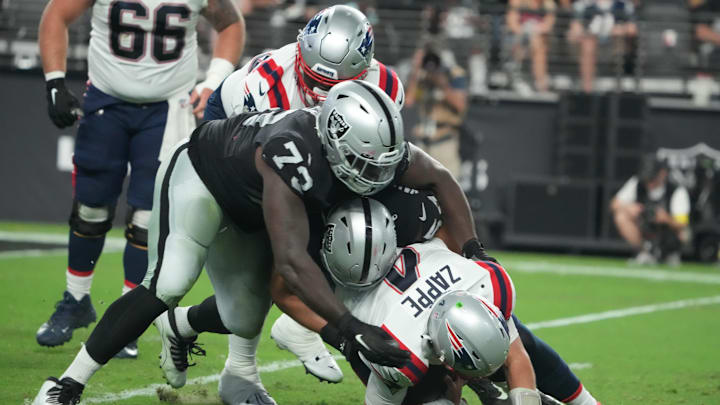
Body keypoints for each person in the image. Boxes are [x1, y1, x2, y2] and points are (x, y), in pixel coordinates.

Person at [33, 80, 481, 405]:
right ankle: (66, 384)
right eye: (366, 164)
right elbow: (289, 261)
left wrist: (474, 253)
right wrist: (351, 330)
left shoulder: (370, 148)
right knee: (168, 282)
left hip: (254, 207)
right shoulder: (293, 152)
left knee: (243, 316)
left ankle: (181, 328)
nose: (377, 176)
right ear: (337, 143)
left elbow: (440, 179)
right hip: (204, 179)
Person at [158, 4, 405, 391]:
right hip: (239, 143)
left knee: (353, 242)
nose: (321, 93)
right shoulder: (267, 81)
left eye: (335, 84)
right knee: (263, 274)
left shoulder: (386, 88)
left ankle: (190, 326)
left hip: (313, 160)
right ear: (300, 54)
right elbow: (271, 168)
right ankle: (243, 369)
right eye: (313, 79)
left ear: (365, 70)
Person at [35, 0, 246, 359]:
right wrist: (54, 80)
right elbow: (56, 14)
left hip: (167, 107)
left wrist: (213, 81)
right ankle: (75, 299)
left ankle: (127, 321)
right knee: (91, 209)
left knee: (147, 219)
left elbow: (232, 25)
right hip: (106, 99)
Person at [611, 155, 690, 265]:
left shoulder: (677, 191)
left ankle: (671, 254)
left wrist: (666, 219)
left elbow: (682, 223)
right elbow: (614, 203)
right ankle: (645, 253)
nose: (648, 182)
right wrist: (629, 208)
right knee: (621, 215)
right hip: (645, 228)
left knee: (684, 233)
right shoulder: (637, 183)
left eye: (652, 178)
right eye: (646, 178)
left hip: (668, 232)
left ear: (662, 174)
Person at [405, 45, 468, 179]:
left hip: (444, 141)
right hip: (423, 142)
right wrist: (417, 68)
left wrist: (442, 84)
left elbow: (460, 105)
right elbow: (409, 100)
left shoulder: (453, 74)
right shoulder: (422, 76)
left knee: (447, 189)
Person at [566, 0, 638, 93]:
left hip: (615, 47)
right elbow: (575, 29)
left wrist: (620, 29)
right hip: (587, 47)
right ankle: (587, 91)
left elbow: (633, 29)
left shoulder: (624, 4)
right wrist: (588, 34)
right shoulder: (582, 5)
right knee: (588, 44)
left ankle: (618, 89)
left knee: (619, 39)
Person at [506, 0, 556, 93]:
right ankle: (538, 82)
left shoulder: (548, 3)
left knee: (538, 43)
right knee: (532, 42)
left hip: (539, 40)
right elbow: (512, 24)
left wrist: (534, 31)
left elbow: (548, 25)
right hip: (520, 39)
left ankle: (539, 82)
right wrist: (527, 33)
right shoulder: (517, 1)